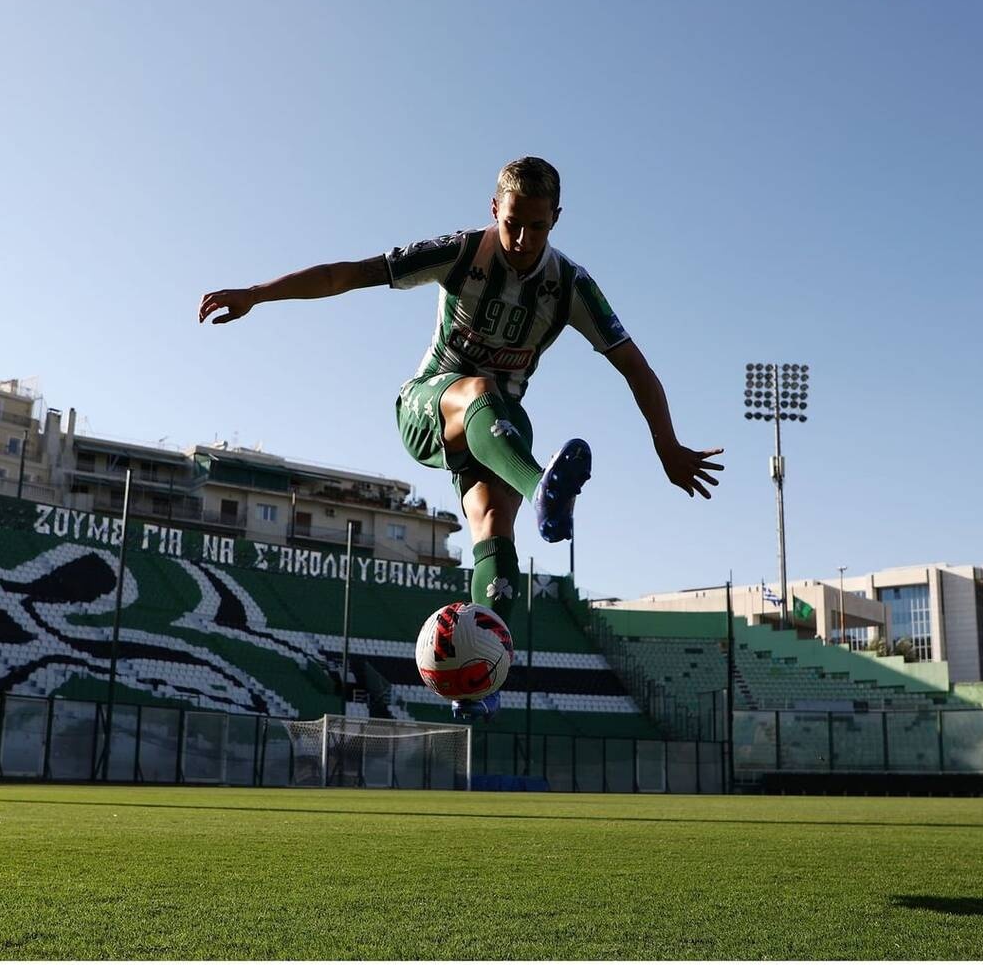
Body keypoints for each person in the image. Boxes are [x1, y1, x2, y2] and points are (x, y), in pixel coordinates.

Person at [199, 156, 724, 722]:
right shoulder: (460, 252)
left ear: (556, 219)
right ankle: (541, 488)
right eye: (512, 223)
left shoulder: (571, 285)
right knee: (478, 388)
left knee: (494, 529)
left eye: (537, 226)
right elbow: (346, 275)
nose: (523, 239)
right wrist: (256, 293)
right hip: (429, 405)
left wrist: (667, 446)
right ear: (494, 209)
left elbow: (635, 366)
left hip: (500, 427)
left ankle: (480, 684)